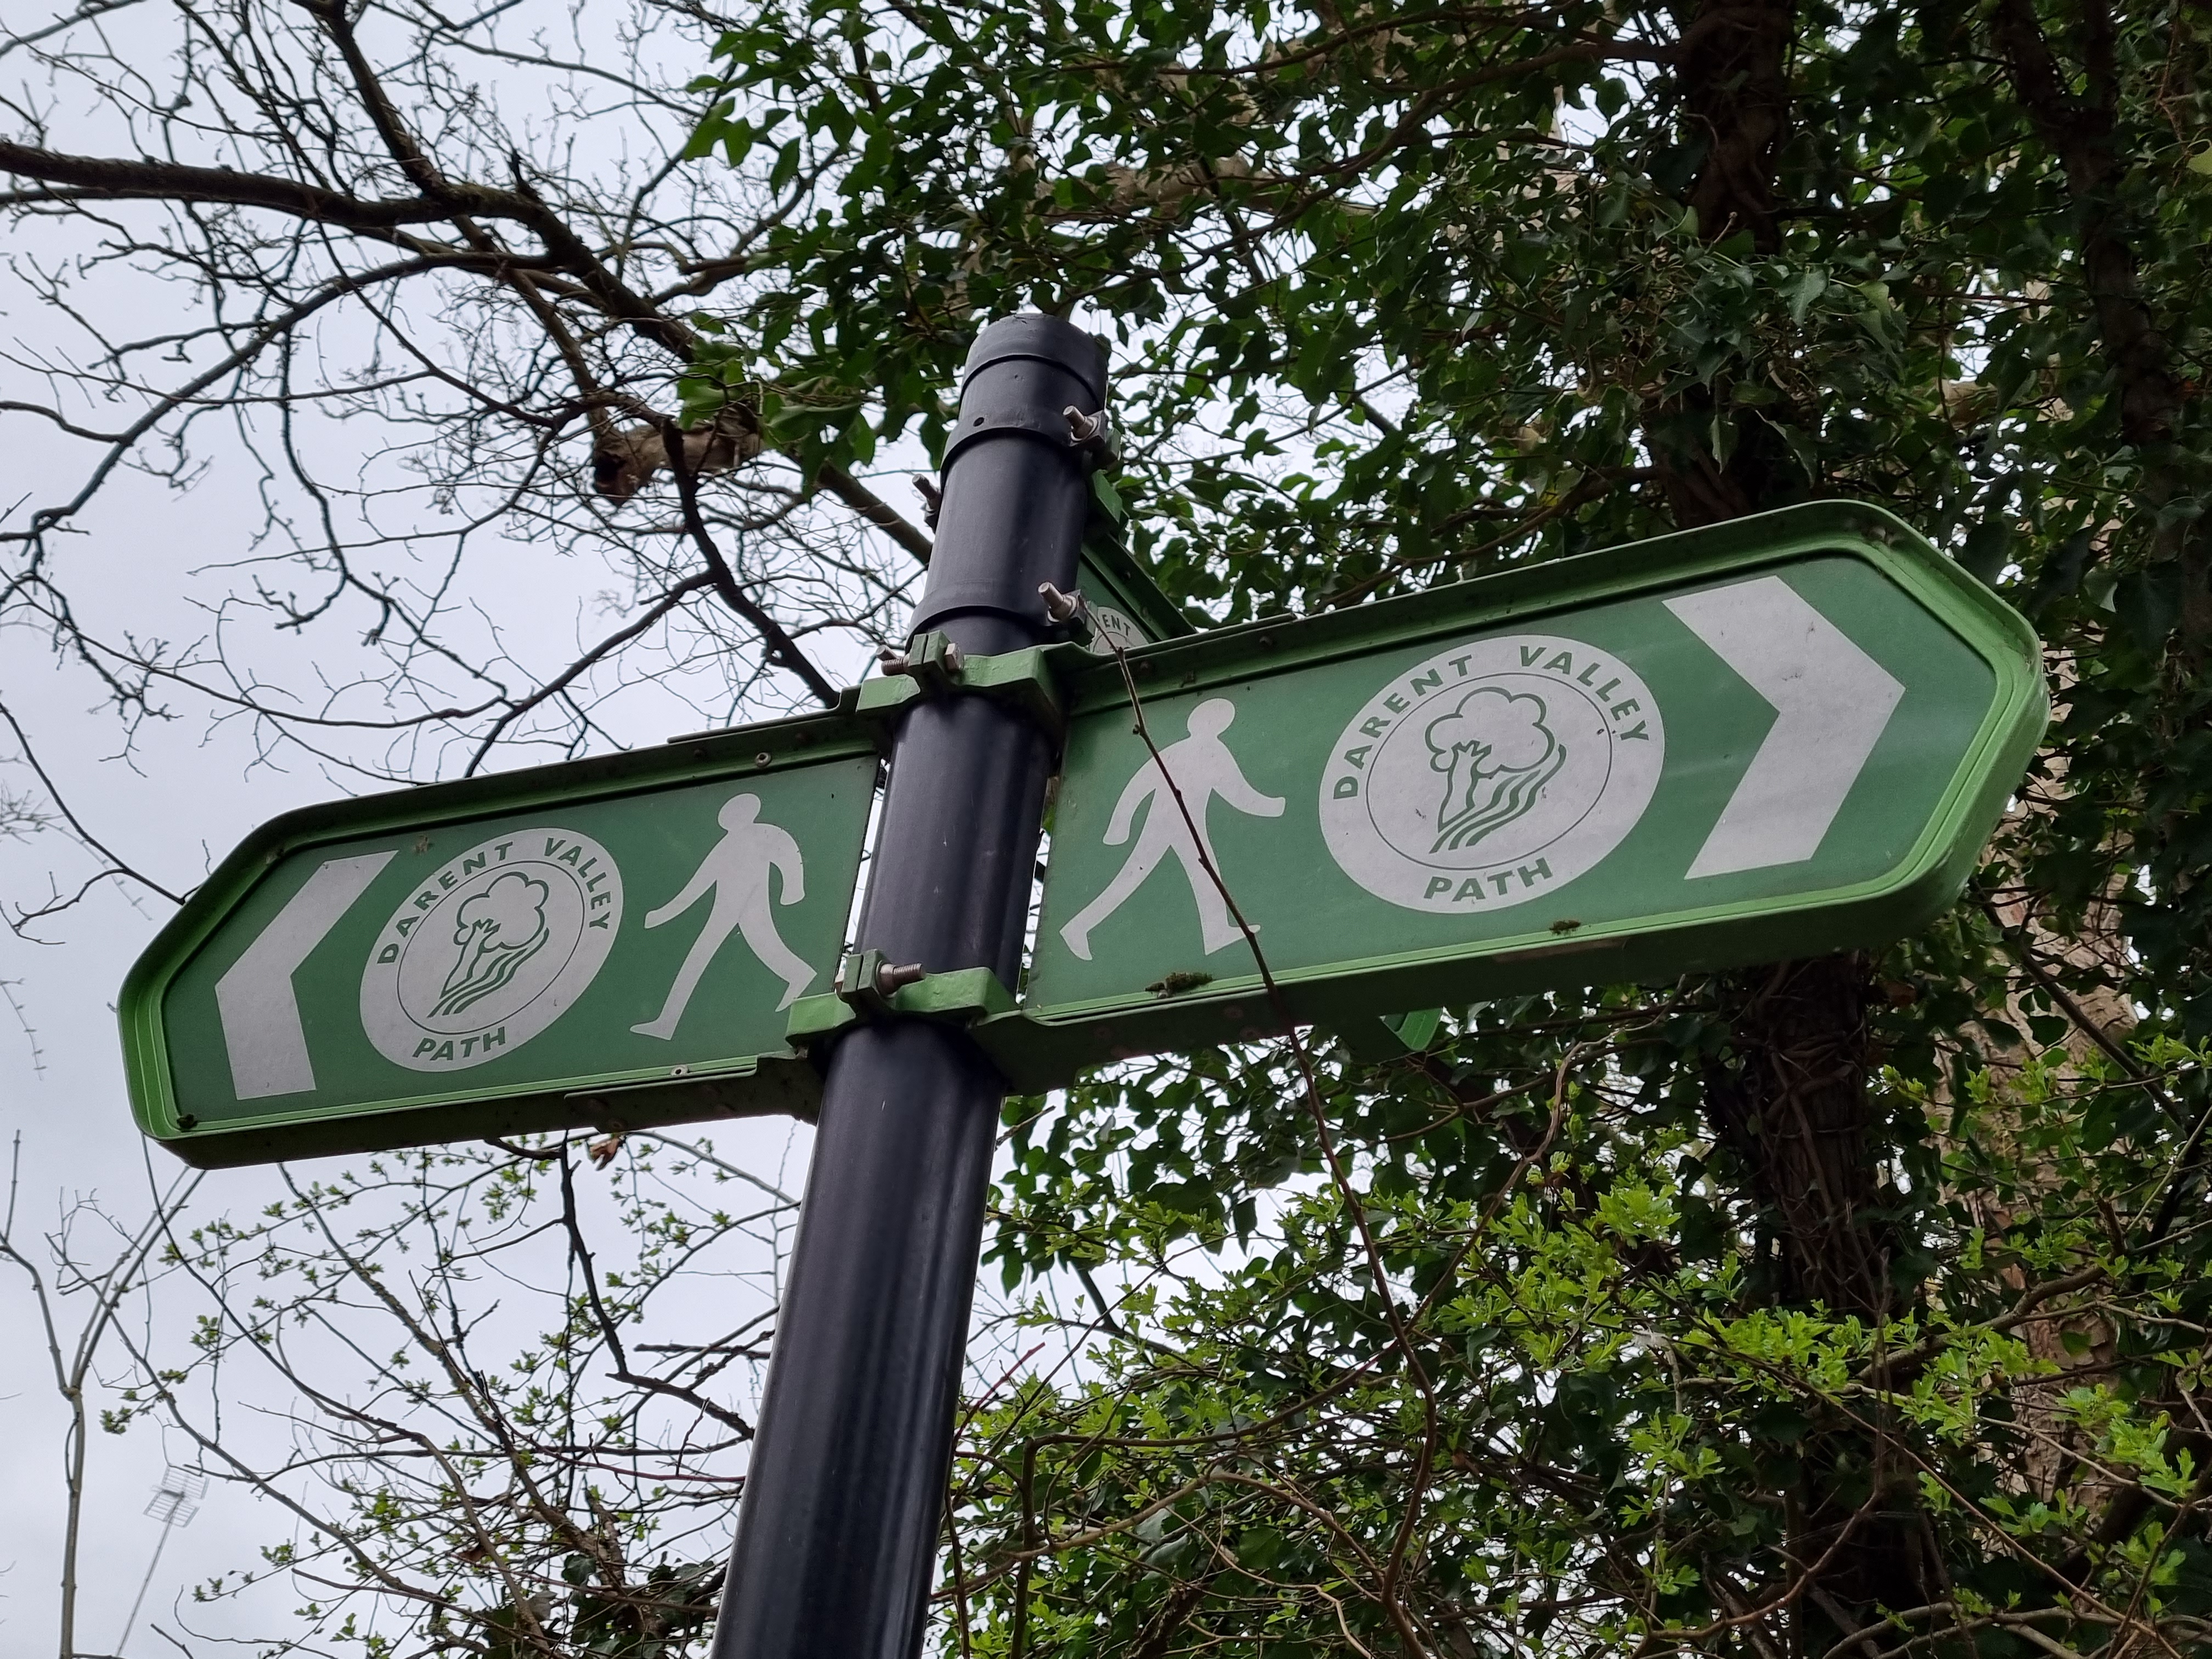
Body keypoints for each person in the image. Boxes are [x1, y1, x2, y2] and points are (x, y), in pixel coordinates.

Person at [1060, 698, 1283, 961]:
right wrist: (1119, 826)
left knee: (1195, 873)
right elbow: (1139, 786)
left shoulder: (1197, 751)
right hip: (1168, 823)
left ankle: (1217, 932)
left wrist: (1271, 806)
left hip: (1185, 826)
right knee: (1133, 878)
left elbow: (1237, 791)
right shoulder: (1201, 752)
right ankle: (1078, 927)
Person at [632, 793, 815, 1038]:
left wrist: (793, 889)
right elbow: (698, 885)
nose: (729, 817)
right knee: (766, 948)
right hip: (733, 908)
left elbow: (788, 854)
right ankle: (799, 974)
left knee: (701, 955)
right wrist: (663, 914)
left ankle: (667, 1022)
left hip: (746, 905)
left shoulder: (762, 834)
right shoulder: (726, 844)